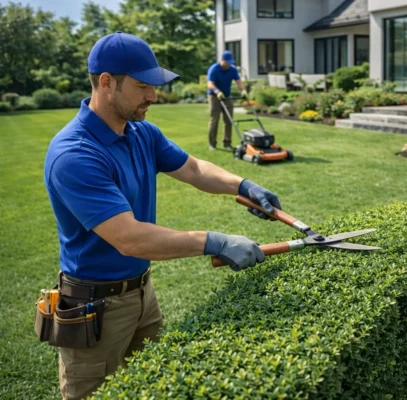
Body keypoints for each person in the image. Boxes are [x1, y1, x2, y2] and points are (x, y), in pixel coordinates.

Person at [43, 32, 279, 400]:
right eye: (142, 87)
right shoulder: (74, 154)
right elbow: (130, 238)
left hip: (142, 294)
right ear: (107, 83)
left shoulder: (141, 132)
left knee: (156, 389)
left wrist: (244, 185)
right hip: (94, 307)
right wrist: (214, 241)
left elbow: (195, 169)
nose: (154, 96)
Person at [207, 50, 248, 151]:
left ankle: (227, 143)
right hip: (214, 96)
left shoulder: (232, 69)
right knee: (214, 120)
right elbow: (210, 84)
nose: (229, 64)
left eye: (231, 62)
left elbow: (238, 81)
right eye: (228, 62)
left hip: (227, 96)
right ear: (222, 60)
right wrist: (217, 92)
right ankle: (212, 144)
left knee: (229, 120)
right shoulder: (214, 69)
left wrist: (243, 90)